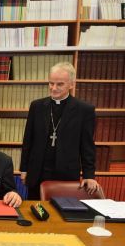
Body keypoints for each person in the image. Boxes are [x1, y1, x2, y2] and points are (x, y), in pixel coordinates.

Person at [20, 62, 98, 200]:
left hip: (66, 174)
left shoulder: (84, 110)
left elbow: (87, 146)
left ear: (71, 84)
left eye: (59, 84)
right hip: (37, 172)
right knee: (36, 211)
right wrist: (24, 169)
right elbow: (28, 140)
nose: (53, 88)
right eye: (51, 83)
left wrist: (89, 175)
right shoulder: (37, 106)